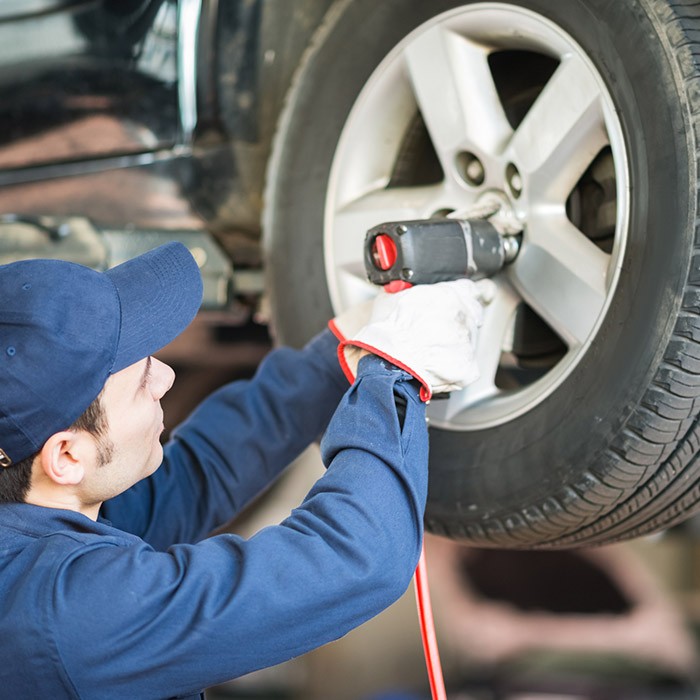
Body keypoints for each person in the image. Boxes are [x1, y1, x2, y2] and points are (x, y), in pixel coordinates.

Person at [0, 242, 485, 699]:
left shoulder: (33, 514)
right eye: (141, 379)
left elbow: (201, 475)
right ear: (66, 457)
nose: (166, 377)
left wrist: (342, 350)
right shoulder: (67, 616)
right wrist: (394, 373)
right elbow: (355, 557)